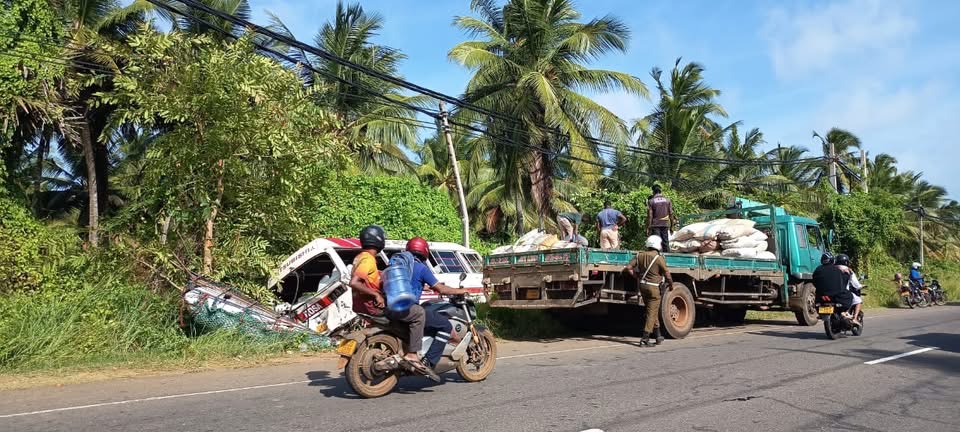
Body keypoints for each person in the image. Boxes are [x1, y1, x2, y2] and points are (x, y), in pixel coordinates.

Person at [388, 237, 471, 382]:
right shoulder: (421, 268)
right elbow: (440, 288)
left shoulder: (402, 265)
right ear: (424, 251)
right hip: (409, 309)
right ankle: (429, 362)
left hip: (392, 307)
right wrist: (459, 291)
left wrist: (424, 286)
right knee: (444, 325)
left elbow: (410, 283)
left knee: (428, 317)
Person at [626, 235, 674, 347]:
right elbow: (667, 273)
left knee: (651, 310)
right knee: (651, 312)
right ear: (657, 245)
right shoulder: (659, 258)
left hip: (642, 286)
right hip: (654, 288)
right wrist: (671, 285)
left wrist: (637, 276)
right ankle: (645, 338)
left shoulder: (639, 255)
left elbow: (628, 267)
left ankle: (658, 335)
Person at [349, 225, 387, 316]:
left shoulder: (360, 257)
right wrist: (376, 295)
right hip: (372, 306)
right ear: (378, 239)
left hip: (361, 305)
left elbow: (368, 279)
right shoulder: (368, 259)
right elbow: (354, 282)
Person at [835, 254, 863, 324]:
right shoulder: (849, 271)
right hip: (843, 293)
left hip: (830, 292)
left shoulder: (831, 269)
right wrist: (860, 286)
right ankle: (855, 318)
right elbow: (856, 284)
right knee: (858, 300)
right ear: (846, 262)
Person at [646, 185, 674, 252]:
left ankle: (657, 259)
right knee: (665, 242)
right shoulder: (668, 200)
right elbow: (671, 213)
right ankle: (667, 259)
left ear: (653, 192)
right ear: (660, 191)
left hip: (655, 225)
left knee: (656, 243)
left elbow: (650, 216)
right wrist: (672, 226)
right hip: (665, 224)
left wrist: (648, 227)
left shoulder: (651, 201)